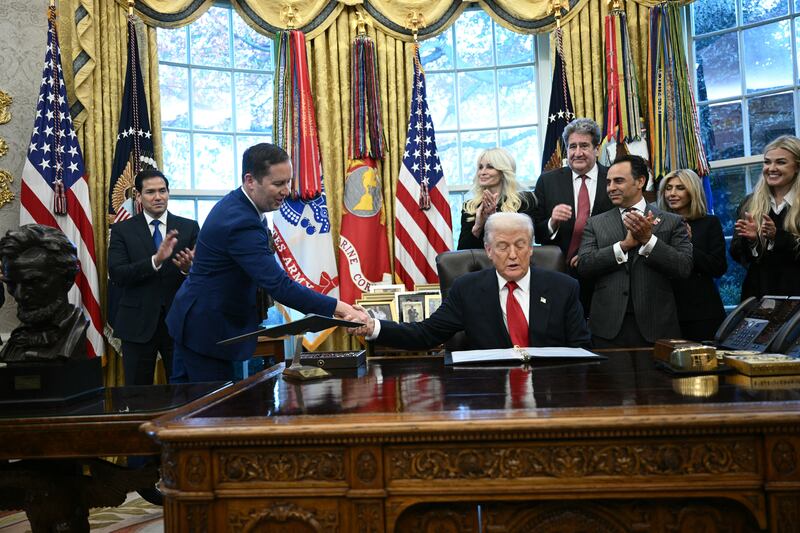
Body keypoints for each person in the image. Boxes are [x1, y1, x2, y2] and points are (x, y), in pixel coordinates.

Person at [166, 143, 367, 382]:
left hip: (209, 325)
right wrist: (340, 308)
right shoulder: (240, 221)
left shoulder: (245, 208)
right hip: (206, 331)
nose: (287, 190)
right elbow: (279, 285)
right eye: (278, 184)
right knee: (209, 413)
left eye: (289, 181)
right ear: (251, 180)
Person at [350, 212, 591, 350]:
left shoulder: (564, 287)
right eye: (503, 247)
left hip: (553, 393)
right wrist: (374, 326)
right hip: (490, 395)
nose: (513, 255)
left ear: (531, 249)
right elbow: (425, 334)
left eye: (520, 245)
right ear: (488, 250)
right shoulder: (467, 289)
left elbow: (581, 348)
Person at [577, 154, 692, 348]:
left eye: (619, 181)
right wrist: (623, 246)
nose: (611, 187)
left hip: (658, 326)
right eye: (608, 182)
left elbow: (684, 268)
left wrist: (648, 240)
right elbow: (584, 266)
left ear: (640, 181)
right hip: (607, 328)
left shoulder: (672, 222)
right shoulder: (595, 223)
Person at [108, 169, 199, 385]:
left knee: (184, 391)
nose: (158, 197)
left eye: (162, 191)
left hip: (179, 322)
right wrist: (155, 261)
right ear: (138, 196)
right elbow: (118, 274)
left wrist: (188, 269)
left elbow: (204, 274)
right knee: (138, 393)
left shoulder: (189, 227)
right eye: (150, 192)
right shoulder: (122, 230)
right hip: (137, 324)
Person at [533, 118, 614, 313]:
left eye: (584, 146)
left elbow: (621, 225)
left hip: (605, 274)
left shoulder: (613, 178)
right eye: (572, 147)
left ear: (597, 149)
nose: (577, 153)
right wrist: (552, 222)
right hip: (559, 274)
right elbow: (536, 232)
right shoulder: (547, 181)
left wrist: (591, 255)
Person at [0, 224, 87, 362]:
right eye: (11, 284)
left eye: (34, 282)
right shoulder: (15, 342)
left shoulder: (75, 334)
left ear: (68, 279)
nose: (20, 295)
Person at [658, 169, 727, 341]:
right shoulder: (655, 224)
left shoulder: (710, 223)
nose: (672, 193)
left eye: (680, 188)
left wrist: (687, 244)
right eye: (668, 188)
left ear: (693, 191)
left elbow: (717, 267)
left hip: (701, 312)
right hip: (663, 310)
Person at [730, 135, 800, 300]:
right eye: (767, 162)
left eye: (781, 162)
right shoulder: (749, 203)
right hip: (759, 295)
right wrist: (753, 241)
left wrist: (779, 238)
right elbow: (736, 253)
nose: (771, 168)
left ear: (797, 167)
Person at [457, 147, 536, 250]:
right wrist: (478, 226)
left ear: (503, 172)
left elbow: (525, 241)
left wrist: (494, 220)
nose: (482, 172)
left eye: (490, 167)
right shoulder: (470, 207)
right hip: (481, 265)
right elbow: (463, 252)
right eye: (480, 167)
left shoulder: (524, 201)